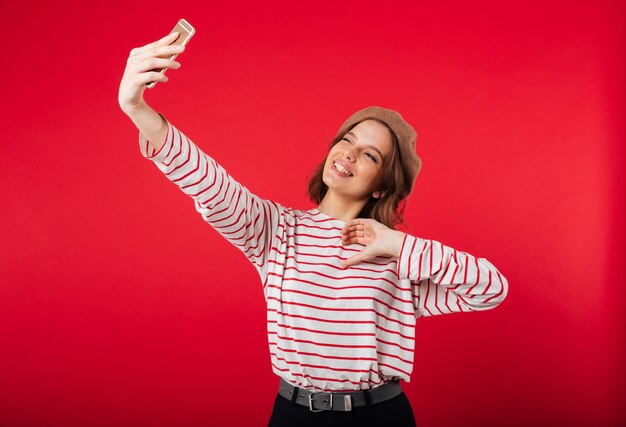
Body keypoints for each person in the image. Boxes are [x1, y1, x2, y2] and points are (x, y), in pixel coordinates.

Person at [118, 32, 509, 427]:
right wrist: (137, 108)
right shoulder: (275, 231)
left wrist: (398, 243)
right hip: (294, 415)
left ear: (382, 185)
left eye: (370, 155)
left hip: (380, 417)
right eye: (347, 139)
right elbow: (210, 183)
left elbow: (490, 288)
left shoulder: (399, 256)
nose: (349, 153)